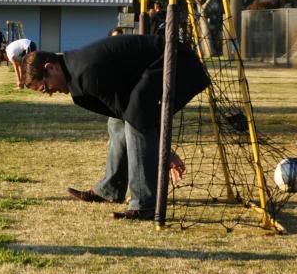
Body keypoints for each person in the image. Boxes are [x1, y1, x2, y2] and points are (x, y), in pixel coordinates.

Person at [22, 33, 210, 220]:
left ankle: (144, 205)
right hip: (158, 66)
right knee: (117, 123)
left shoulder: (87, 73)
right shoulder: (76, 71)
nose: (50, 93)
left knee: (135, 122)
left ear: (51, 67)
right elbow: (120, 111)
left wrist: (167, 151)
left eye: (45, 87)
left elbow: (141, 118)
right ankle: (110, 189)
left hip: (178, 63)